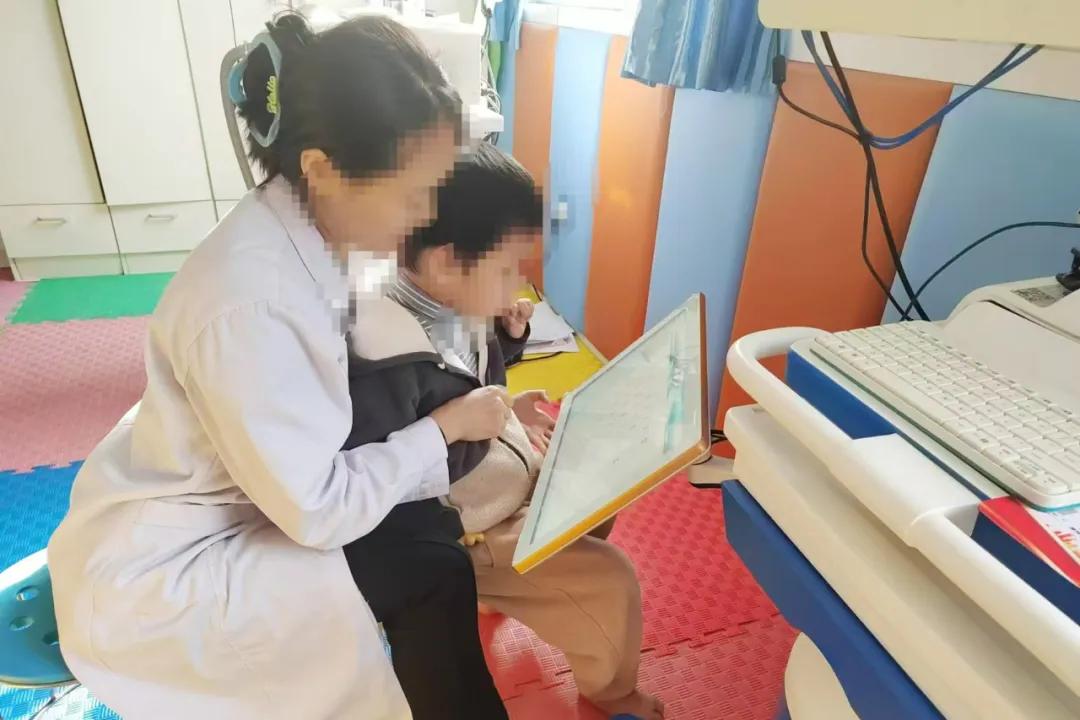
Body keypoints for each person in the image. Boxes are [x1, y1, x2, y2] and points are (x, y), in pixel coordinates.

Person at [47, 13, 508, 720]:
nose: (425, 214)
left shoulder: (309, 225)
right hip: (170, 568)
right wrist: (443, 429)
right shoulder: (252, 301)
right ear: (322, 169)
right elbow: (318, 512)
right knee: (430, 568)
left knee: (431, 536)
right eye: (412, 194)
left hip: (248, 493)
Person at [343, 143, 664, 720]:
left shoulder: (446, 298)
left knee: (601, 491)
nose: (520, 284)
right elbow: (395, 476)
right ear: (447, 262)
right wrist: (467, 427)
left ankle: (507, 593)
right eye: (507, 269)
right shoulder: (384, 355)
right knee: (609, 579)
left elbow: (466, 382)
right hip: (469, 529)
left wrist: (511, 374)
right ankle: (612, 692)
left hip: (504, 475)